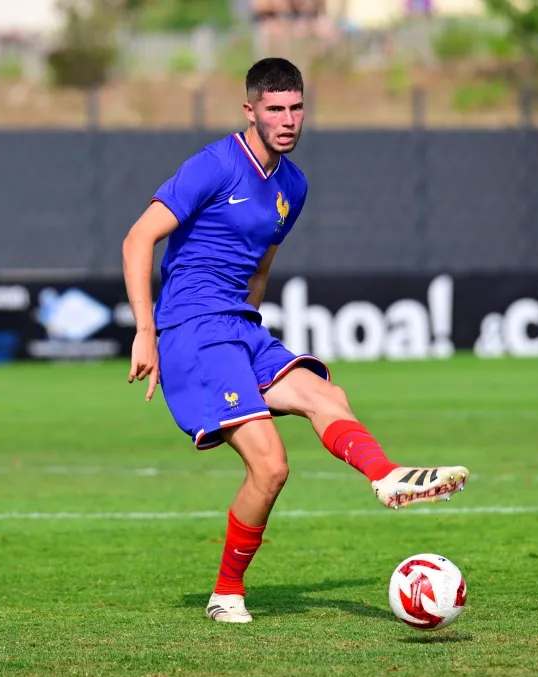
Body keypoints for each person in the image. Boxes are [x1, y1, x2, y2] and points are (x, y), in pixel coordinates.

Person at [121, 57, 470, 624]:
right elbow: (138, 240)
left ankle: (385, 477)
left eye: (296, 107)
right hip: (191, 329)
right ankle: (226, 594)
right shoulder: (213, 165)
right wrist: (146, 331)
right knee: (271, 467)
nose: (287, 119)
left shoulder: (293, 185)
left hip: (239, 328)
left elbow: (260, 267)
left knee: (327, 395)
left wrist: (249, 337)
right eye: (275, 108)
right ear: (251, 110)